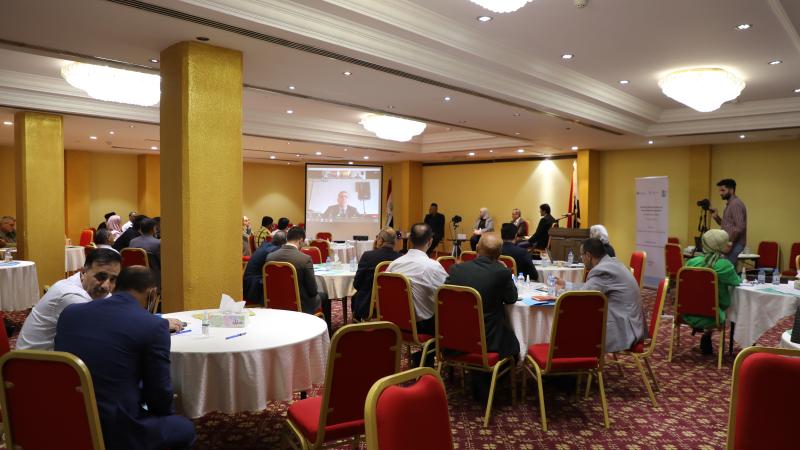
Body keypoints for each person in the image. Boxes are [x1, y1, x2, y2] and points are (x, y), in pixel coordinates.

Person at [54, 266, 196, 450]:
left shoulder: (70, 313)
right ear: (152, 293)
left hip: (66, 418)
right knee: (184, 428)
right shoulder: (153, 326)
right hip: (114, 429)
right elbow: (159, 394)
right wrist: (166, 415)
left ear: (115, 287)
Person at [16, 249, 122, 350]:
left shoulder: (84, 283)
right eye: (100, 277)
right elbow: (103, 334)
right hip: (35, 359)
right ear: (83, 271)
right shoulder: (72, 297)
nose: (106, 286)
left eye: (113, 279)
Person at [557, 238, 645, 353]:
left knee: (572, 318)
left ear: (588, 255)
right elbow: (589, 287)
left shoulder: (602, 270)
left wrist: (559, 293)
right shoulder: (612, 263)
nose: (581, 259)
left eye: (581, 255)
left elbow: (583, 295)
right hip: (632, 322)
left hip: (624, 329)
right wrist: (565, 284)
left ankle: (571, 357)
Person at [683, 229, 741, 355]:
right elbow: (736, 282)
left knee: (705, 300)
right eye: (726, 242)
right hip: (713, 317)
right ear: (718, 246)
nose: (730, 244)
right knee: (723, 304)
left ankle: (706, 339)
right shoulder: (724, 265)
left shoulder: (691, 262)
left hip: (687, 313)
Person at [387, 223, 448, 335]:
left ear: (410, 240)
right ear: (430, 241)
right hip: (422, 326)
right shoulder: (433, 267)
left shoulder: (394, 264)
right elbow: (448, 293)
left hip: (394, 323)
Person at [267, 227, 332, 329]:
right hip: (300, 305)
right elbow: (312, 291)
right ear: (301, 240)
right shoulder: (304, 259)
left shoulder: (270, 257)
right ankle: (326, 331)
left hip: (276, 303)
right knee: (324, 296)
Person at [351, 227, 401, 321]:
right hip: (393, 305)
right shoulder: (400, 258)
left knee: (355, 297)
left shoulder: (368, 256)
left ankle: (357, 324)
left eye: (377, 237)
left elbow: (356, 284)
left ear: (381, 240)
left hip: (368, 305)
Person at [243, 231, 287, 306]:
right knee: (283, 282)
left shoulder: (266, 245)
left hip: (248, 283)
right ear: (284, 243)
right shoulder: (274, 251)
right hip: (255, 286)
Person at [709, 178, 747, 266]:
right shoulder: (730, 204)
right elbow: (728, 225)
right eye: (719, 190)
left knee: (726, 269)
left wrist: (729, 243)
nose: (720, 193)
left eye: (723, 190)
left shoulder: (735, 204)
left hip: (735, 244)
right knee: (728, 270)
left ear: (731, 190)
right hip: (732, 243)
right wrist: (716, 217)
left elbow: (740, 227)